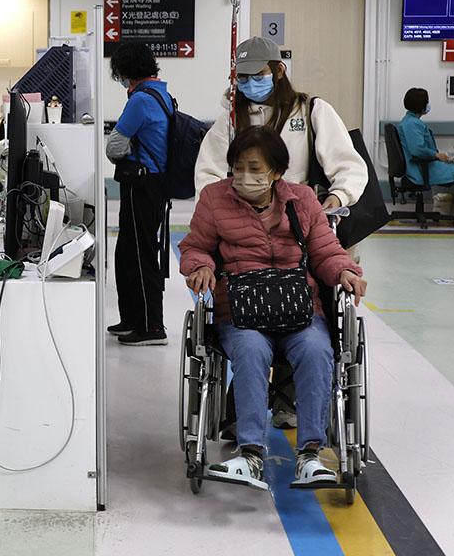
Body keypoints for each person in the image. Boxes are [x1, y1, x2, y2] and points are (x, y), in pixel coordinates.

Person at [179, 126, 367, 491]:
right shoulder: (214, 199)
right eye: (237, 168)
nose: (243, 177)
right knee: (250, 351)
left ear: (276, 172)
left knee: (317, 350)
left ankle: (310, 455)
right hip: (242, 311)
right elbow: (195, 246)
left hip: (299, 309)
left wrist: (346, 271)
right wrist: (200, 266)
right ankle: (250, 453)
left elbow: (325, 250)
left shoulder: (302, 200)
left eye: (254, 168)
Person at [195, 36, 367, 212]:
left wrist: (339, 196)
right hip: (245, 215)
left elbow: (348, 165)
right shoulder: (230, 120)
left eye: (258, 75)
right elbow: (208, 175)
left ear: (279, 70)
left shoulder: (312, 111)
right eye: (243, 77)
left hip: (302, 214)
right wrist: (217, 211)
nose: (251, 83)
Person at [105, 42, 172, 346]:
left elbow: (114, 147)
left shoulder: (140, 100)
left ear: (126, 70)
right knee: (127, 253)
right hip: (153, 184)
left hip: (142, 185)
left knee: (140, 254)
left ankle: (150, 327)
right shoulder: (161, 93)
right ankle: (132, 318)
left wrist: (128, 145)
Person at [399, 87, 454, 229]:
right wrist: (436, 155)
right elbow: (417, 150)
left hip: (421, 167)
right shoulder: (413, 124)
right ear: (422, 106)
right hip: (422, 170)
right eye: (427, 102)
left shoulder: (408, 121)